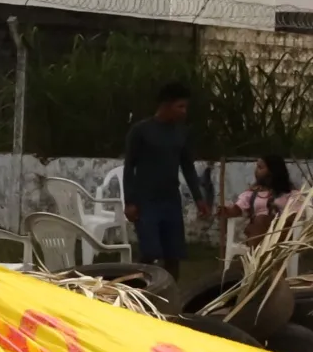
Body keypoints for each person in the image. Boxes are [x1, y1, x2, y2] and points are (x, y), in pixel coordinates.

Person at [123, 81, 212, 277]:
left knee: (173, 255)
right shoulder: (141, 131)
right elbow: (129, 167)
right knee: (150, 253)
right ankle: (137, 292)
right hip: (146, 201)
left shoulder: (181, 132)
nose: (184, 111)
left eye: (186, 107)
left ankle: (171, 296)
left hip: (171, 200)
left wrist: (199, 199)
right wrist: (130, 201)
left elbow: (187, 167)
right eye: (180, 106)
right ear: (165, 105)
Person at [223, 155, 297, 245]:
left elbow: (297, 216)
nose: (256, 171)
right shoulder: (251, 194)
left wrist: (274, 219)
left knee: (261, 220)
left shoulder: (291, 194)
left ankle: (255, 255)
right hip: (258, 233)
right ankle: (257, 254)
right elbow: (237, 209)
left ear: (273, 172)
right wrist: (227, 211)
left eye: (260, 167)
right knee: (256, 224)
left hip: (281, 236)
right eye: (257, 167)